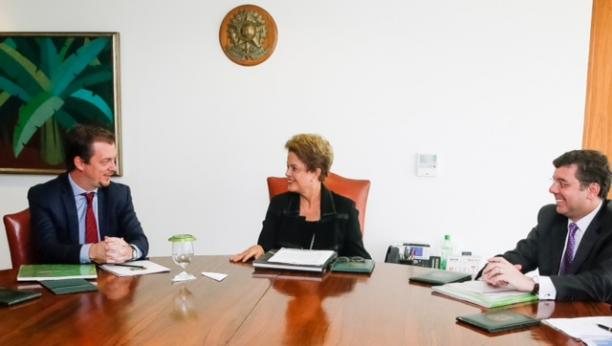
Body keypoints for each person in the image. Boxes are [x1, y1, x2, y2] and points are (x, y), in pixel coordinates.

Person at [481, 150, 612, 302]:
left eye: (563, 184)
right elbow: (520, 256)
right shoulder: (551, 217)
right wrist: (494, 271)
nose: (552, 189)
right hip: (551, 316)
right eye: (554, 181)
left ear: (592, 190)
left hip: (596, 319)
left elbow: (602, 283)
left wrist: (534, 284)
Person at [231, 134, 371, 262]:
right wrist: (259, 249)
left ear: (315, 173)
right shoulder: (279, 204)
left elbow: (361, 261)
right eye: (287, 167)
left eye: (294, 168)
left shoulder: (345, 209)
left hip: (328, 288)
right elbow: (265, 247)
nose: (287, 173)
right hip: (284, 287)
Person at [28, 125, 148, 264]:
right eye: (105, 161)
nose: (114, 168)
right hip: (68, 280)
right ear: (80, 163)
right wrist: (91, 251)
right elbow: (46, 250)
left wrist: (129, 251)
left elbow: (140, 240)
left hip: (112, 281)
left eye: (114, 160)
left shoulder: (119, 194)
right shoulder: (44, 196)